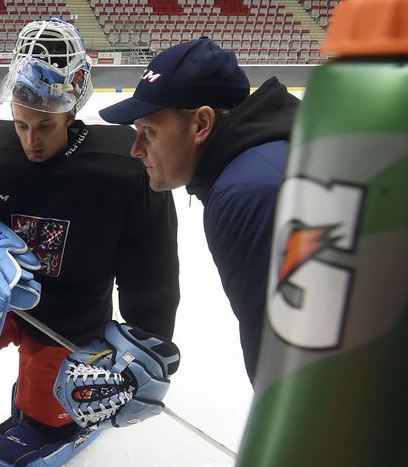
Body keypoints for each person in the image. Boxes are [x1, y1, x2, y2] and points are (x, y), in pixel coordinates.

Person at [0, 18, 181, 467]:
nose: (30, 141)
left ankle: (40, 403)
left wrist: (146, 347)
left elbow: (152, 272)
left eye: (45, 125)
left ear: (72, 113)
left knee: (48, 417)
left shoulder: (125, 171)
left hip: (69, 318)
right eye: (21, 125)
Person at [98, 36, 302, 382]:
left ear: (201, 125)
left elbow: (286, 365)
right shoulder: (263, 163)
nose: (136, 149)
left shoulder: (248, 193)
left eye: (148, 131)